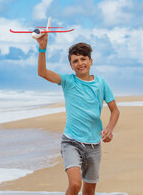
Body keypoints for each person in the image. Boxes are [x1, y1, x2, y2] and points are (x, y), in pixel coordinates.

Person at [36, 33, 120, 195]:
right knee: (75, 185)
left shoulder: (101, 83)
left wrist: (109, 128)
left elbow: (115, 110)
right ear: (71, 65)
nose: (80, 63)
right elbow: (43, 73)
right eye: (75, 61)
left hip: (94, 145)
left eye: (83, 59)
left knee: (89, 192)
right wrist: (42, 48)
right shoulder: (68, 81)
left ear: (90, 61)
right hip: (71, 142)